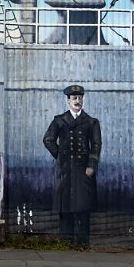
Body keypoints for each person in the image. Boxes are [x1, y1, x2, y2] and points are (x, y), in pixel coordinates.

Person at [42, 84, 101, 247]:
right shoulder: (59, 120)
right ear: (68, 101)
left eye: (80, 98)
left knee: (83, 207)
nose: (77, 101)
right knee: (65, 207)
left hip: (84, 170)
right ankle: (65, 242)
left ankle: (83, 243)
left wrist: (92, 165)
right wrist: (60, 156)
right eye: (74, 98)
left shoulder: (91, 122)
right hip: (65, 170)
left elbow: (96, 145)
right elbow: (48, 140)